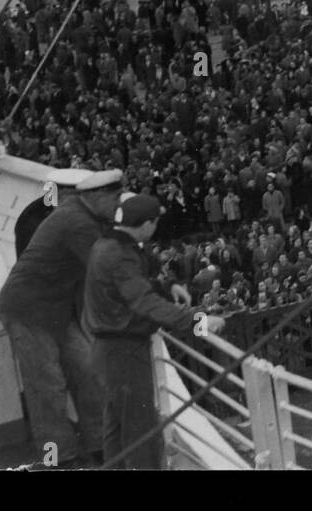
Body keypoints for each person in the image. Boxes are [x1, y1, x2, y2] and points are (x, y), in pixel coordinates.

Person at [0, 168, 128, 468]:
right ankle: (57, 458)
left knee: (89, 370)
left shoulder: (88, 217)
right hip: (28, 310)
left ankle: (99, 444)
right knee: (48, 387)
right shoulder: (61, 220)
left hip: (59, 309)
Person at [84, 193, 225, 469]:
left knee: (116, 427)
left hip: (107, 349)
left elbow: (131, 286)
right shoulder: (121, 256)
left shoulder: (106, 243)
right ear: (146, 224)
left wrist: (165, 286)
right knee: (141, 428)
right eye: (155, 223)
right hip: (124, 352)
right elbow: (143, 302)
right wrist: (199, 321)